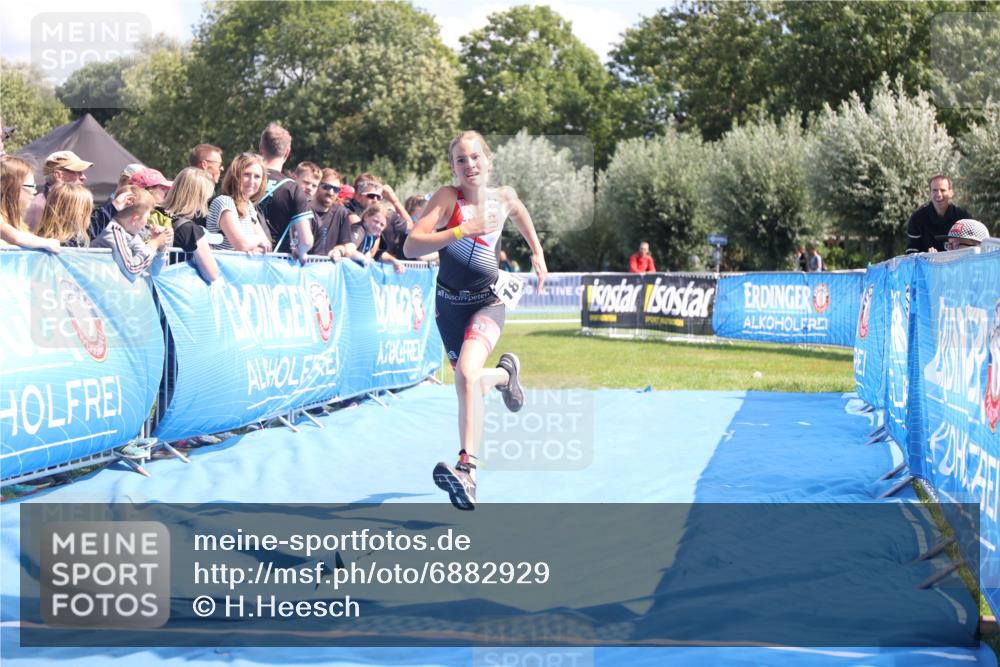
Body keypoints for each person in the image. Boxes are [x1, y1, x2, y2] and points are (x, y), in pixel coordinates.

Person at [404, 130, 547, 510]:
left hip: (490, 299)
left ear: (489, 160)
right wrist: (460, 230)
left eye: (475, 157)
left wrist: (537, 251)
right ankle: (505, 375)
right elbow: (411, 245)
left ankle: (467, 471)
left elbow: (520, 212)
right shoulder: (448, 198)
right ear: (453, 168)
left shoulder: (504, 198)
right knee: (470, 386)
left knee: (467, 375)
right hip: (449, 305)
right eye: (460, 160)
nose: (469, 165)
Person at [91, 186, 173, 281]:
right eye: (147, 218)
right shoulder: (113, 231)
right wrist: (153, 244)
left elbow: (153, 271)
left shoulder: (132, 235)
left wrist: (160, 247)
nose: (147, 222)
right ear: (135, 219)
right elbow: (131, 270)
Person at [258, 123, 313, 261]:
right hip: (276, 261)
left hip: (240, 260)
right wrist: (300, 251)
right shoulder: (292, 188)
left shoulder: (244, 180)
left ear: (261, 149)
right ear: (287, 152)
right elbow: (306, 240)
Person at [161, 167, 222, 282]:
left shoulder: (154, 215)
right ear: (200, 197)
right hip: (176, 291)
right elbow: (212, 274)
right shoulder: (190, 230)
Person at [206, 153, 271, 253]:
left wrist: (255, 247)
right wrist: (258, 240)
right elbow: (242, 245)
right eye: (246, 174)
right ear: (235, 175)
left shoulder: (249, 206)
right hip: (222, 267)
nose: (251, 181)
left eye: (257, 176)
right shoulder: (224, 202)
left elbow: (267, 246)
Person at [0, 155, 60, 252]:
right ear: (10, 187)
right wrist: (46, 243)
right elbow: (17, 238)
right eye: (30, 186)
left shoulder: (18, 222)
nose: (34, 191)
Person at [25, 150, 93, 231]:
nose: (83, 177)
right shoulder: (39, 206)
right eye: (77, 172)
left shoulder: (65, 203)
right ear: (58, 175)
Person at [905, 174, 972, 254]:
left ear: (951, 193)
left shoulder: (963, 217)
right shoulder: (917, 218)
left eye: (943, 190)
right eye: (935, 190)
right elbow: (912, 252)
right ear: (929, 193)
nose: (939, 194)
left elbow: (972, 248)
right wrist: (928, 257)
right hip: (928, 265)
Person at [341, 202, 405, 273]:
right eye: (375, 221)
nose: (378, 226)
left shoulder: (372, 235)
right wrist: (363, 258)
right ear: (366, 217)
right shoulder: (359, 229)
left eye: (382, 225)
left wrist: (394, 261)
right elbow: (348, 251)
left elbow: (377, 255)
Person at [309, 168, 353, 257]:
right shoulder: (302, 209)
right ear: (317, 185)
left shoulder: (341, 213)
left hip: (327, 268)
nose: (331, 192)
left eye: (336, 189)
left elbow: (346, 245)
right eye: (326, 187)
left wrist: (339, 251)